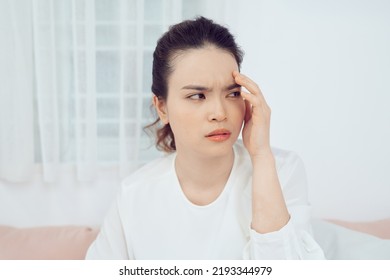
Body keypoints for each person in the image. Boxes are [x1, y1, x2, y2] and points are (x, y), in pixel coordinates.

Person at [86, 16, 325, 259]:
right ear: (162, 107)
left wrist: (262, 156)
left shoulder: (282, 171)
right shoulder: (134, 195)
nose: (220, 113)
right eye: (198, 96)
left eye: (232, 94)